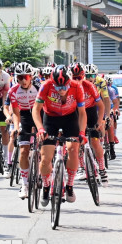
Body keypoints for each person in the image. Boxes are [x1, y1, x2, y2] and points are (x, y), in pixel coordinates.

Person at [32, 65, 87, 206]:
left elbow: (82, 113)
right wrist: (40, 129)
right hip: (50, 118)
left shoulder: (77, 87)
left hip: (70, 118)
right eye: (57, 87)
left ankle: (69, 185)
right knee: (45, 157)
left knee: (73, 149)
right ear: (52, 82)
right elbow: (36, 110)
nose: (61, 90)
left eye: (64, 87)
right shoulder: (46, 86)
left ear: (69, 82)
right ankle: (45, 185)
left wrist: (81, 133)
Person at [7, 63, 39, 199]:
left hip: (40, 114)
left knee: (43, 150)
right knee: (23, 150)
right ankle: (25, 184)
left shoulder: (39, 88)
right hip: (25, 116)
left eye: (26, 77)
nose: (23, 80)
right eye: (20, 77)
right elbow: (15, 112)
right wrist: (16, 127)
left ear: (31, 77)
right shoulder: (13, 91)